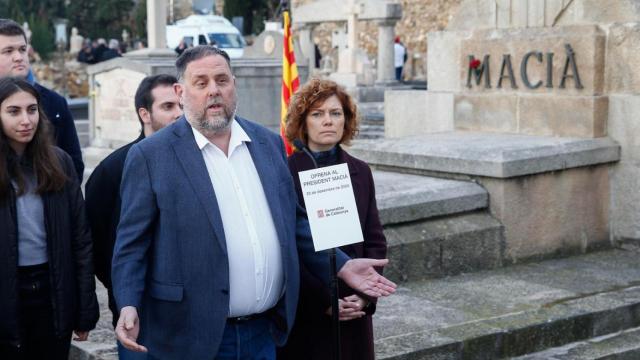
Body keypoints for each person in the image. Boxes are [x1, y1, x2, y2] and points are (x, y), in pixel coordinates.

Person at [111, 45, 396, 359]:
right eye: (201, 83)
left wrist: (342, 265)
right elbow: (131, 244)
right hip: (191, 336)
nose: (214, 91)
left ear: (234, 83)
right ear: (181, 91)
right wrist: (128, 302)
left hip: (263, 334)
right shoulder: (152, 156)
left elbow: (295, 223)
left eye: (222, 80)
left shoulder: (268, 143)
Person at [278, 78, 387, 360]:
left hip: (354, 305)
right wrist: (322, 302)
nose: (328, 121)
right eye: (318, 114)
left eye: (335, 113)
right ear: (303, 122)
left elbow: (374, 238)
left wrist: (365, 296)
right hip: (309, 311)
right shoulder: (284, 174)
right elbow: (287, 248)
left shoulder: (360, 171)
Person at [0, 77, 99, 359]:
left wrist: (85, 309)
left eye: (32, 110)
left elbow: (80, 240)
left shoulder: (59, 162)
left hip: (51, 289)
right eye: (13, 111)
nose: (26, 120)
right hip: (8, 289)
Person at [85, 74, 181, 360]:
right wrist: (122, 291)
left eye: (181, 105)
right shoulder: (112, 170)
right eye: (167, 107)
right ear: (144, 113)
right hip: (137, 311)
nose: (178, 114)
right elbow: (98, 241)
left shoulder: (200, 162)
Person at [0, 19, 85, 181]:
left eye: (22, 49)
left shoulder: (54, 103)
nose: (18, 57)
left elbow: (74, 166)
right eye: (8, 51)